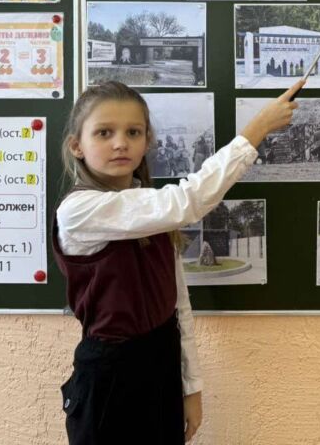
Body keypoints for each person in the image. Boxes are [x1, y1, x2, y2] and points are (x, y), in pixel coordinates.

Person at [53, 78, 303, 444]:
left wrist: (190, 387)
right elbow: (189, 201)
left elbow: (178, 306)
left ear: (147, 142)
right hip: (110, 378)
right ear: (77, 145)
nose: (120, 143)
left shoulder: (150, 209)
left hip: (162, 365)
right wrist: (257, 128)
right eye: (104, 132)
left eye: (133, 132)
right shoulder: (79, 210)